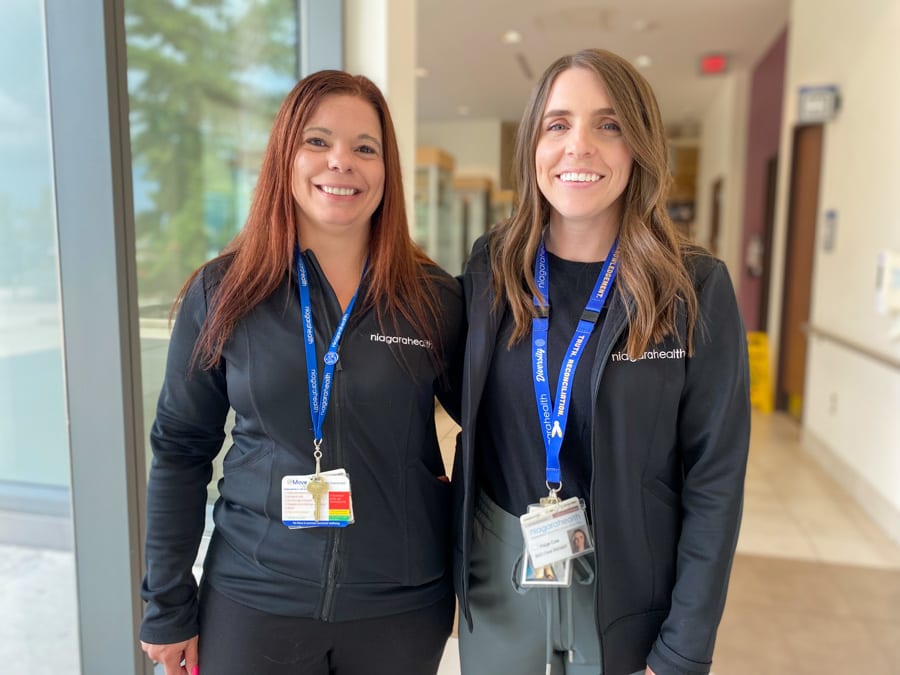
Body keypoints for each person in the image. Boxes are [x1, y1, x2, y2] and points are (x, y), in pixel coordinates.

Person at [139, 70, 463, 675]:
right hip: (253, 597)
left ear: (386, 171)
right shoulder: (224, 292)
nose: (341, 162)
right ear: (285, 158)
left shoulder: (434, 299)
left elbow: (500, 430)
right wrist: (166, 603)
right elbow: (182, 450)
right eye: (318, 142)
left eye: (365, 148)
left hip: (400, 604)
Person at [452, 48, 750, 675]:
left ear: (639, 144)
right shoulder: (491, 267)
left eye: (608, 125)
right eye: (557, 124)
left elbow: (715, 480)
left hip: (628, 582)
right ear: (533, 144)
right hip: (500, 573)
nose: (578, 146)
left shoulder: (692, 286)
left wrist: (683, 649)